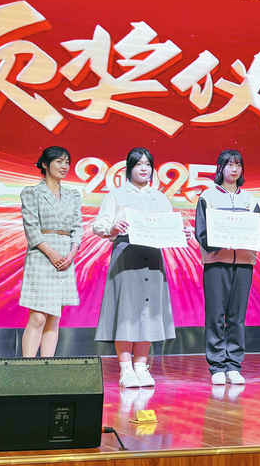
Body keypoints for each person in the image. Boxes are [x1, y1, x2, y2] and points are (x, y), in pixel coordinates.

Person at [92, 147, 178, 388]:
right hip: (127, 256)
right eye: (139, 164)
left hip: (153, 258)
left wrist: (179, 231)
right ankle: (126, 368)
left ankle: (141, 366)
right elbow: (99, 225)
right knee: (127, 311)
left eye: (148, 164)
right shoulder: (117, 195)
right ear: (129, 168)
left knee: (148, 311)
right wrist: (113, 227)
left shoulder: (159, 197)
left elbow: (169, 225)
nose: (144, 168)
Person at [195, 149, 260, 385]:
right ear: (220, 168)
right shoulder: (208, 197)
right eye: (229, 165)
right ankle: (216, 365)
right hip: (216, 263)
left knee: (237, 317)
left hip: (244, 263)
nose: (234, 169)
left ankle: (233, 364)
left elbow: (258, 230)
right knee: (215, 315)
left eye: (238, 165)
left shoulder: (250, 200)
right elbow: (201, 232)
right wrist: (220, 241)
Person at [19, 146, 82, 358]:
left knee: (54, 317)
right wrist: (52, 254)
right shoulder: (32, 193)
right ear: (45, 164)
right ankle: (28, 367)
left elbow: (78, 227)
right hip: (41, 255)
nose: (64, 166)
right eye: (59, 162)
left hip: (66, 256)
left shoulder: (73, 195)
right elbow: (31, 228)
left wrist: (72, 254)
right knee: (38, 317)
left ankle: (48, 366)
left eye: (67, 162)